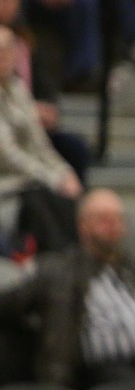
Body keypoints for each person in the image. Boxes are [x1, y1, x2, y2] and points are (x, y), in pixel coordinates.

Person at [0, 188, 135, 390]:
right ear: (83, 226)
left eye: (118, 218)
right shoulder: (57, 270)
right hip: (107, 370)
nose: (113, 225)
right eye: (103, 219)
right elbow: (10, 303)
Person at [0, 23, 81, 257]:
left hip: (29, 179)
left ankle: (79, 260)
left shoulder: (18, 89)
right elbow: (7, 155)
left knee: (71, 198)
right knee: (41, 199)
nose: (3, 55)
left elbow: (40, 144)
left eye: (8, 49)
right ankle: (59, 261)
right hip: (8, 180)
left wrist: (64, 172)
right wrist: (53, 178)